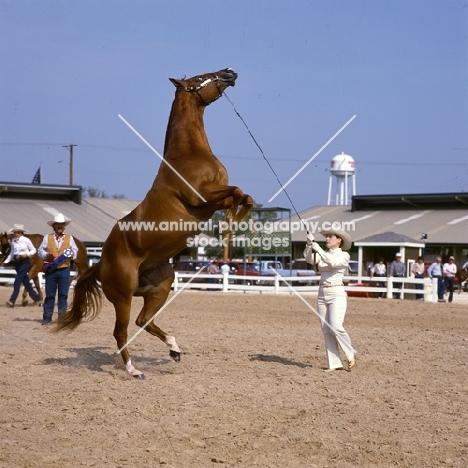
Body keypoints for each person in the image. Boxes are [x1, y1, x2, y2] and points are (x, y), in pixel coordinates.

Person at [304, 229, 356, 372]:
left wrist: (317, 248)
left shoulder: (344, 255)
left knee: (336, 326)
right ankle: (334, 363)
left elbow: (333, 263)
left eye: (330, 236)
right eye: (326, 236)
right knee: (326, 329)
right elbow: (309, 260)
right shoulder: (323, 254)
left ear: (339, 240)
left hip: (336, 292)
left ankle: (350, 352)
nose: (327, 238)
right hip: (322, 292)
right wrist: (309, 246)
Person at [37, 213, 78, 325]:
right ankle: (47, 317)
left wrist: (71, 254)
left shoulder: (70, 238)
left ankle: (62, 318)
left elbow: (75, 251)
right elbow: (40, 251)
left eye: (62, 224)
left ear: (64, 226)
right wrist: (46, 255)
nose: (60, 226)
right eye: (58, 224)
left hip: (64, 269)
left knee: (63, 294)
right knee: (50, 294)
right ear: (54, 226)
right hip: (51, 269)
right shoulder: (47, 237)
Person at [1, 224, 42, 308]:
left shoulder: (26, 240)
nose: (14, 233)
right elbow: (12, 253)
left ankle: (12, 301)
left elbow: (34, 250)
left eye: (15, 232)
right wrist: (6, 261)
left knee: (17, 281)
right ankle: (37, 298)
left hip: (25, 261)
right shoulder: (13, 241)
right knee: (26, 282)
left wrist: (27, 254)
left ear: (19, 232)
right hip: (17, 262)